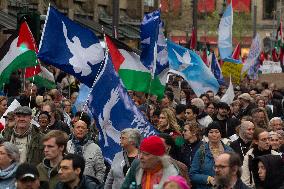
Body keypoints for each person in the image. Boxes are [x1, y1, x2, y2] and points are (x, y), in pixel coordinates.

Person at [189, 122, 233, 189]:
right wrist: (208, 179)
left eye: (216, 132)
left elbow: (236, 171)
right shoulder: (201, 151)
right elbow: (192, 174)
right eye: (211, 132)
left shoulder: (229, 151)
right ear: (207, 135)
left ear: (221, 134)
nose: (214, 134)